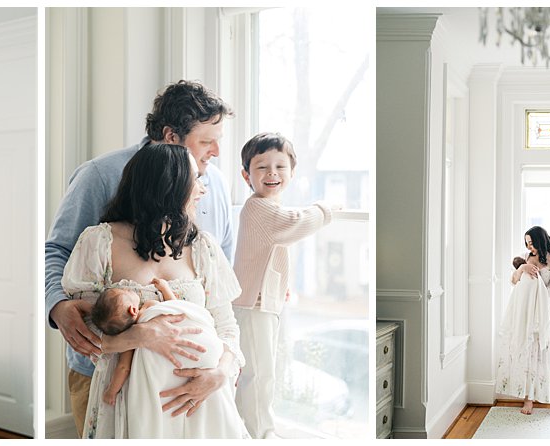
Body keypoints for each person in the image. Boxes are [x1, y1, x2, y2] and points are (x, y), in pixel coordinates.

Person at [45, 80, 235, 437]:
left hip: (196, 395)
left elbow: (221, 301)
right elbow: (57, 251)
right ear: (171, 135)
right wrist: (57, 305)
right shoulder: (100, 176)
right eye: (207, 140)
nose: (217, 152)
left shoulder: (216, 185)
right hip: (109, 373)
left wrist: (223, 369)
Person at [230, 132, 336, 438]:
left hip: (262, 300)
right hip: (252, 304)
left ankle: (256, 430)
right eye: (262, 167)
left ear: (291, 172)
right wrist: (325, 209)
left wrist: (281, 284)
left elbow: (269, 252)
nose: (272, 173)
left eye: (280, 166)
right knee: (258, 374)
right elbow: (295, 224)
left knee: (264, 371)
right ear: (246, 175)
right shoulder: (259, 206)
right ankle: (258, 434)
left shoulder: (270, 205)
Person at [495, 225, 550, 416]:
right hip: (524, 313)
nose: (529, 247)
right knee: (526, 352)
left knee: (546, 354)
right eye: (527, 243)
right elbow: (513, 281)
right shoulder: (525, 257)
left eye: (532, 243)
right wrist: (522, 267)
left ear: (540, 240)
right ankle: (528, 399)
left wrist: (536, 280)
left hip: (541, 313)